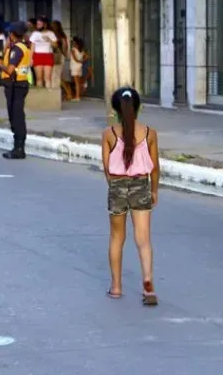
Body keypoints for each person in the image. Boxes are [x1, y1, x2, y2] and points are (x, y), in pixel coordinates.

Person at [102, 87, 160, 305]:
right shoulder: (149, 133)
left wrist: (116, 187)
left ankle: (116, 287)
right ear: (139, 108)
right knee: (143, 239)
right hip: (141, 185)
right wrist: (153, 190)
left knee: (117, 238)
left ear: (115, 109)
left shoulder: (108, 134)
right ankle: (148, 283)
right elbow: (155, 168)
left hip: (117, 186)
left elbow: (107, 169)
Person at [0, 22, 32, 160]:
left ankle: (19, 148)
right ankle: (17, 146)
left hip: (16, 85)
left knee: (16, 116)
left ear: (12, 34)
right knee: (15, 115)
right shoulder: (18, 47)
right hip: (18, 84)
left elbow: (10, 70)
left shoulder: (17, 49)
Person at [29, 17, 57, 89]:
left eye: (40, 24)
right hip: (37, 55)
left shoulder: (51, 33)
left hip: (48, 55)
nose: (38, 25)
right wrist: (30, 58)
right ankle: (40, 96)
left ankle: (48, 95)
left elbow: (55, 46)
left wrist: (49, 39)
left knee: (47, 78)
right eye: (37, 24)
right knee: (39, 78)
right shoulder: (35, 33)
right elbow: (32, 47)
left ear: (45, 24)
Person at [70, 37, 88, 101]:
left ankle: (77, 97)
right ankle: (78, 96)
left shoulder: (73, 49)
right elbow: (87, 56)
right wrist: (82, 61)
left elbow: (75, 59)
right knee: (78, 82)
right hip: (79, 66)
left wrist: (79, 61)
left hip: (74, 66)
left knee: (76, 83)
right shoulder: (81, 50)